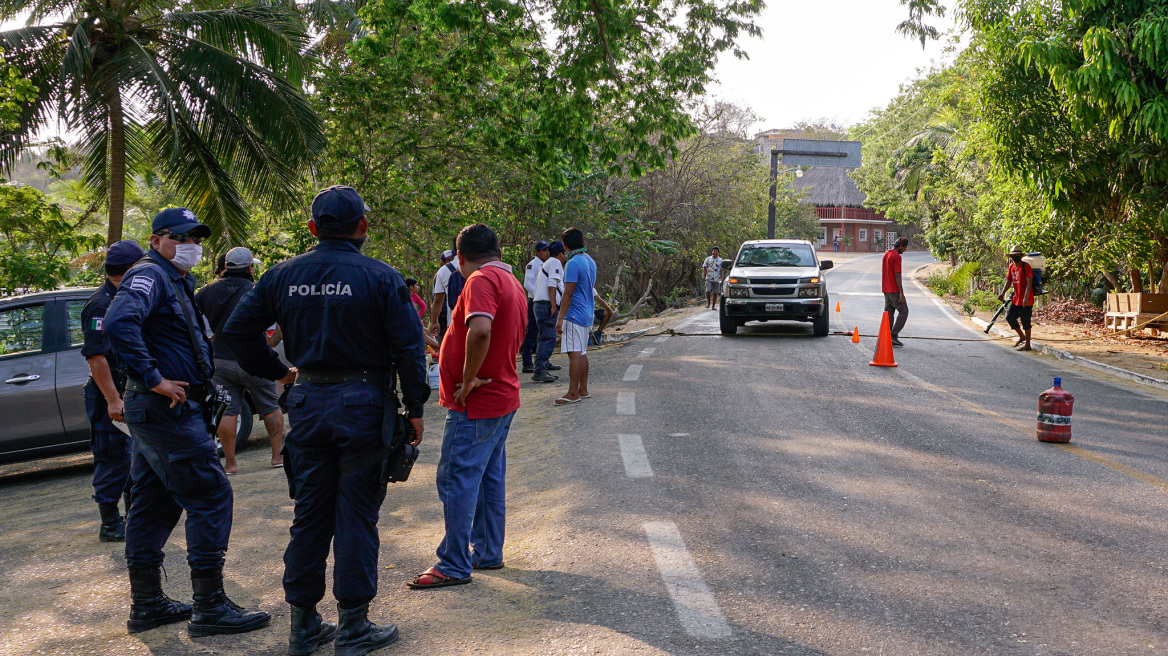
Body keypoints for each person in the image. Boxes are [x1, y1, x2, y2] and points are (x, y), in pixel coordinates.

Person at [221, 185, 430, 656]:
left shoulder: (281, 276)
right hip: (362, 403)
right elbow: (409, 349)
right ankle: (353, 627)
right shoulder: (380, 277)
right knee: (356, 514)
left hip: (309, 403)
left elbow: (236, 331)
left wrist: (282, 374)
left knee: (311, 514)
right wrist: (415, 408)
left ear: (313, 228)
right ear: (363, 226)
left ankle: (303, 626)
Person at [104, 208, 270, 637]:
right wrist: (154, 378)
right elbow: (120, 324)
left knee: (154, 502)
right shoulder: (150, 276)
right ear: (157, 239)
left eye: (195, 237)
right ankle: (210, 606)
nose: (190, 244)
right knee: (211, 494)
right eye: (180, 237)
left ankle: (147, 604)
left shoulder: (176, 279)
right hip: (164, 412)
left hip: (167, 412)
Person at [407, 223, 526, 590]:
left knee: (455, 478)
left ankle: (454, 563)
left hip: (477, 401)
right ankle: (487, 551)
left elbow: (481, 329)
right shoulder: (512, 282)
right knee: (488, 477)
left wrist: (469, 376)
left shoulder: (480, 281)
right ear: (499, 251)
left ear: (460, 258)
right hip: (501, 396)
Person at [194, 246, 284, 474]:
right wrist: (270, 345)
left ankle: (231, 464)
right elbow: (274, 326)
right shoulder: (257, 290)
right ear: (250, 268)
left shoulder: (204, 293)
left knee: (228, 410)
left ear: (226, 267)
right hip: (254, 359)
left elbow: (197, 328)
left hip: (220, 360)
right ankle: (277, 457)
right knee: (270, 406)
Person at [81, 239, 145, 542]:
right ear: (131, 269)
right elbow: (97, 357)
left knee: (135, 457)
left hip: (132, 391)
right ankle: (110, 523)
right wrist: (113, 399)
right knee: (112, 457)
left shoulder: (127, 297)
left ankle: (136, 517)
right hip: (111, 395)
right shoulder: (100, 304)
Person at [554, 228, 597, 405]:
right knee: (582, 352)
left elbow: (568, 293)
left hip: (574, 314)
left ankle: (572, 393)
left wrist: (560, 317)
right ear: (583, 243)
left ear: (564, 246)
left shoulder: (572, 264)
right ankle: (583, 389)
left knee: (574, 353)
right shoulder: (589, 260)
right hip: (587, 312)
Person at [531, 241, 566, 383]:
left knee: (543, 336)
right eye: (564, 254)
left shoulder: (547, 263)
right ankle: (539, 369)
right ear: (560, 254)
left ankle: (542, 365)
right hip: (546, 305)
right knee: (549, 337)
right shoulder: (555, 263)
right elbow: (552, 284)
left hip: (539, 304)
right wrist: (553, 305)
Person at [520, 240, 550, 373]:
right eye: (543, 250)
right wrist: (538, 295)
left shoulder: (548, 264)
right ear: (537, 252)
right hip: (535, 300)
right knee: (532, 331)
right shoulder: (532, 265)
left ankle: (543, 360)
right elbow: (527, 284)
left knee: (545, 332)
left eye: (547, 250)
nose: (546, 252)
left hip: (545, 301)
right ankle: (527, 362)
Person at [999, 245, 1036, 351]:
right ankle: (1021, 336)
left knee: (1026, 322)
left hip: (1026, 300)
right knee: (1010, 317)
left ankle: (1028, 345)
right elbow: (1009, 281)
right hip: (1016, 299)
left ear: (1020, 256)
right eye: (1013, 255)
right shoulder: (1011, 266)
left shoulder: (1026, 266)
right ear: (1011, 256)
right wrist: (1002, 293)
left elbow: (1029, 282)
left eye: (1017, 255)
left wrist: (1026, 297)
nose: (1015, 257)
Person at [429, 249, 465, 348]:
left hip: (452, 318)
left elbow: (437, 300)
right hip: (473, 319)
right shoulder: (474, 264)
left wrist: (434, 322)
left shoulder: (442, 271)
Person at [881, 237, 910, 348]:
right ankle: (893, 335)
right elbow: (897, 275)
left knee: (889, 313)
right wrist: (901, 293)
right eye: (905, 247)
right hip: (894, 290)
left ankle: (887, 335)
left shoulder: (886, 254)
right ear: (901, 246)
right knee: (904, 312)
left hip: (886, 289)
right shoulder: (896, 257)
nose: (905, 250)